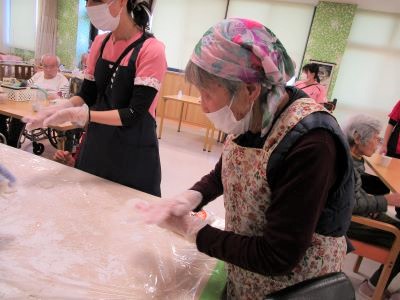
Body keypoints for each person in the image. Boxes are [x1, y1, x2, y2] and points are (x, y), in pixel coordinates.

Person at [135, 18, 354, 298]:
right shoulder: (253, 115)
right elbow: (227, 172)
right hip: (247, 274)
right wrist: (191, 196)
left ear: (250, 89)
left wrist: (194, 229)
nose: (203, 106)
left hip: (291, 286)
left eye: (207, 94)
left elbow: (277, 255)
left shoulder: (313, 145)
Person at [23, 0, 167, 197]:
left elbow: (134, 113)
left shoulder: (152, 49)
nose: (90, 6)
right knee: (87, 205)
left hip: (133, 150)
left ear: (121, 2)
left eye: (97, 1)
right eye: (88, 1)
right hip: (97, 143)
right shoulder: (100, 43)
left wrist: (84, 115)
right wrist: (56, 109)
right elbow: (87, 94)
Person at [343, 114, 400, 300]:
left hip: (358, 215)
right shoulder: (348, 163)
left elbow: (355, 194)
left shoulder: (352, 157)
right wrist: (386, 201)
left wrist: (373, 202)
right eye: (376, 138)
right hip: (350, 223)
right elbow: (352, 204)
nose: (378, 143)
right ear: (358, 137)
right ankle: (373, 286)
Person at [0, 54, 70, 148]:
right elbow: (25, 86)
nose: (48, 69)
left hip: (44, 110)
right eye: (45, 66)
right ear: (42, 66)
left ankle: (12, 144)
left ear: (58, 66)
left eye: (52, 66)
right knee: (2, 114)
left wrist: (44, 94)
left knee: (19, 116)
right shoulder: (38, 75)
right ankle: (4, 139)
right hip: (27, 104)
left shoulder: (63, 81)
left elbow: (61, 99)